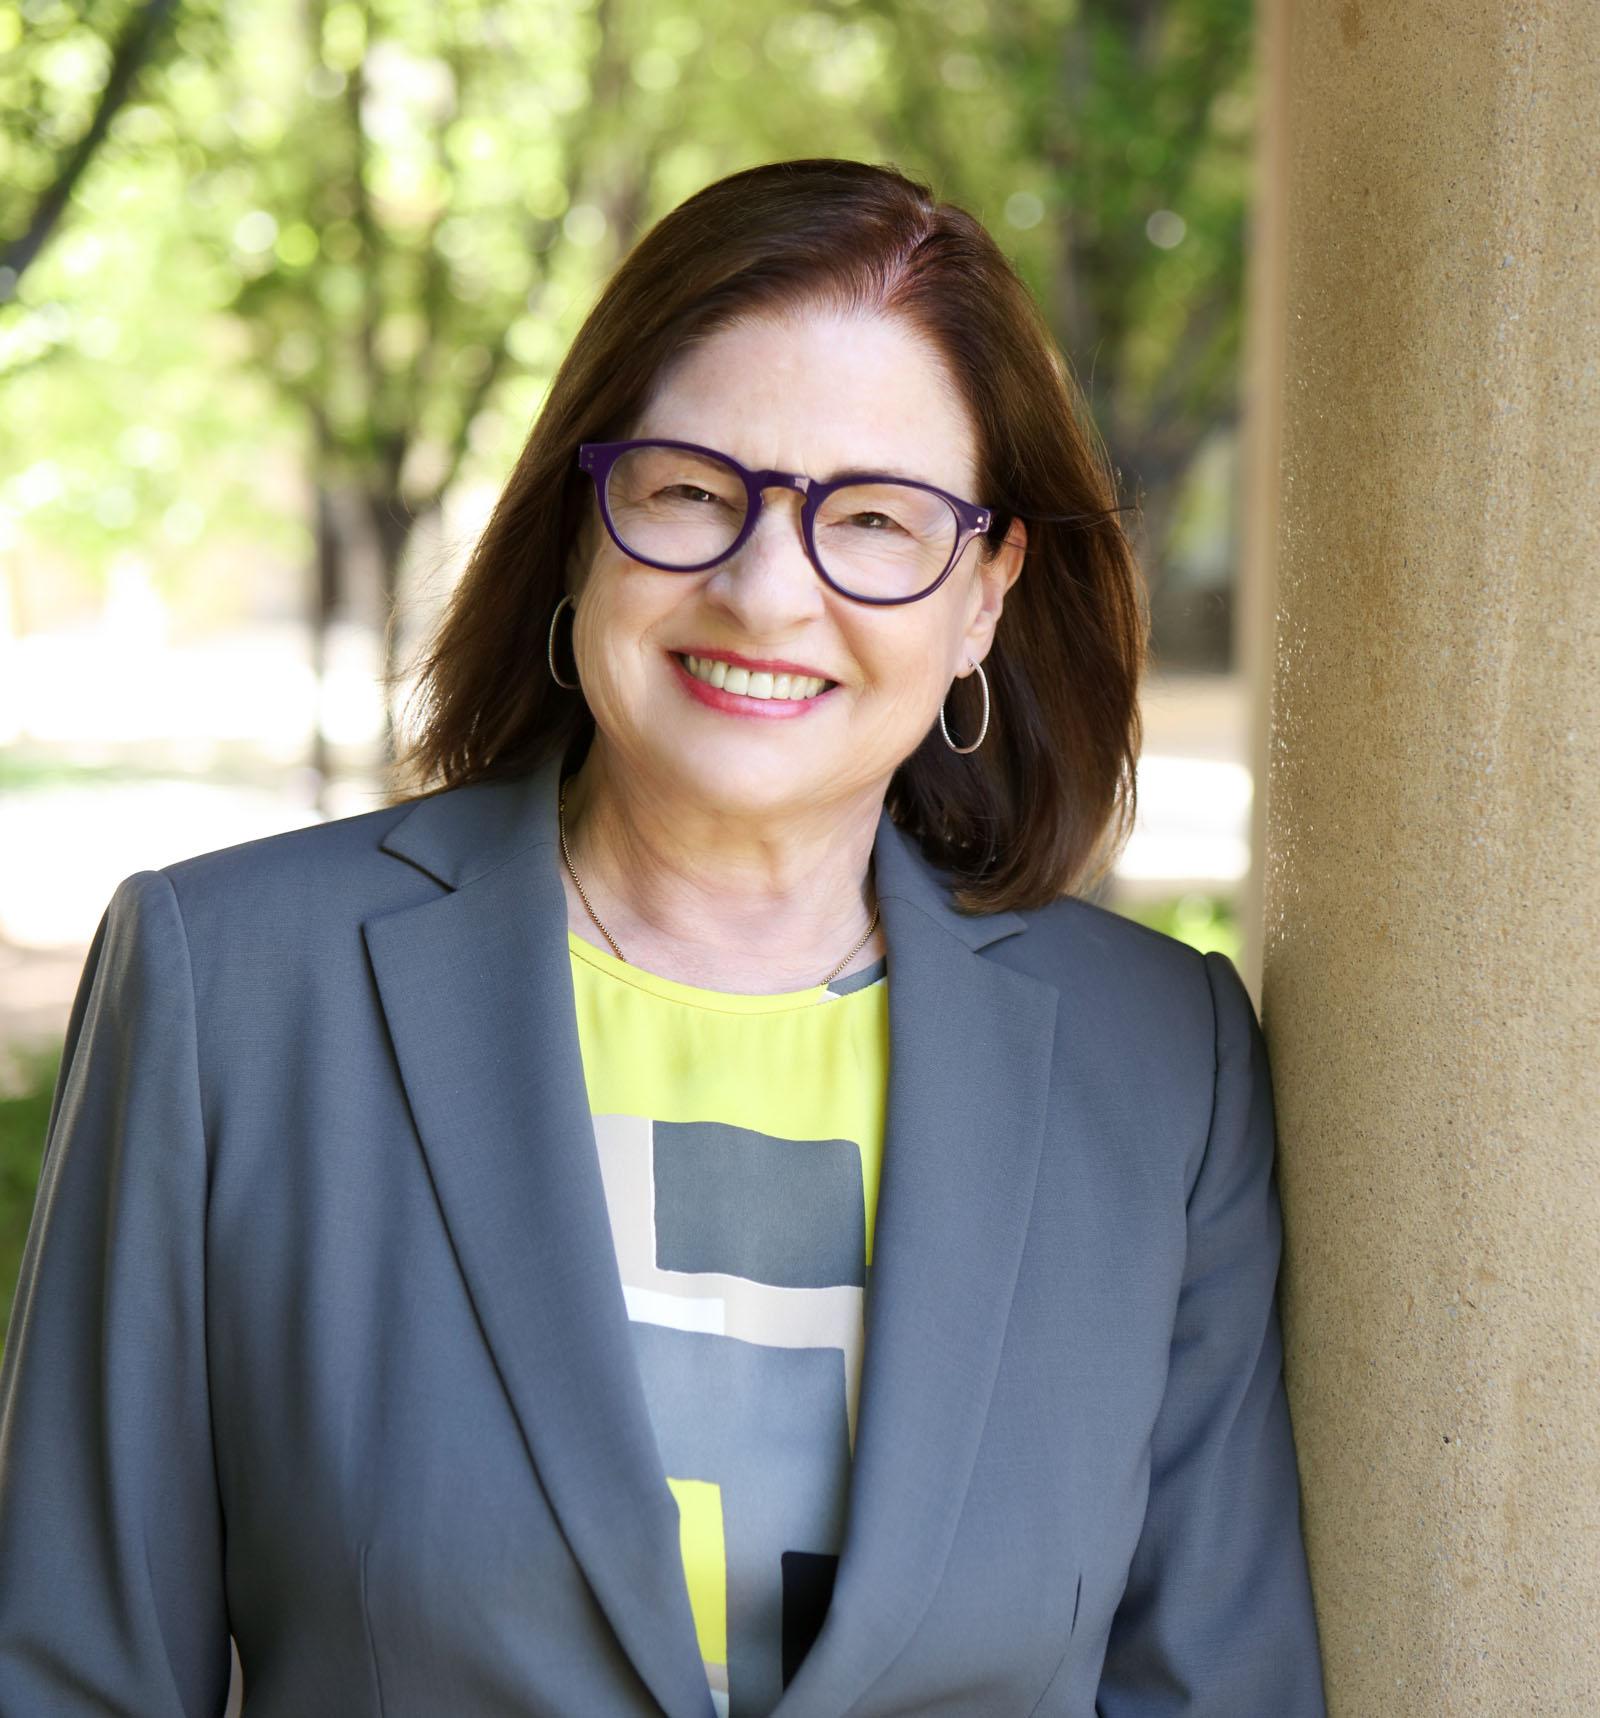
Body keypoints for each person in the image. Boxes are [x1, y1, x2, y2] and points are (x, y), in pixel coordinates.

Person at [0, 157, 1326, 1717]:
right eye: (695, 490)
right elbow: (69, 1680)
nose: (769, 590)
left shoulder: (1162, 1066)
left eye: (878, 521)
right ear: (585, 518)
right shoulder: (232, 991)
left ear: (983, 594)